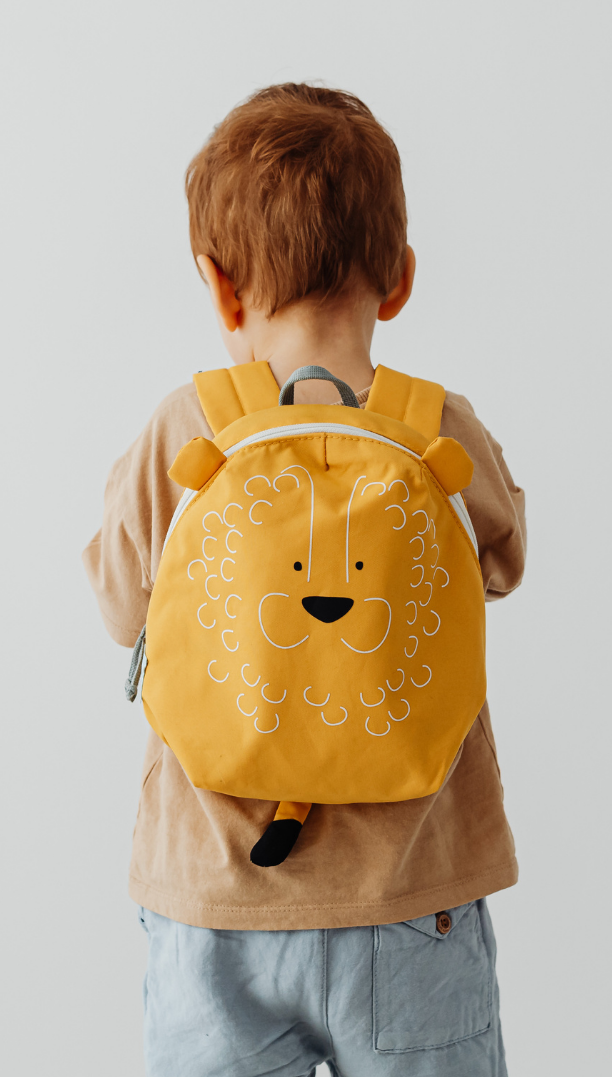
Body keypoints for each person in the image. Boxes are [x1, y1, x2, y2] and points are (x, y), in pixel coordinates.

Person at [83, 83, 527, 1077]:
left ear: (219, 287)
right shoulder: (437, 427)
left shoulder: (185, 429)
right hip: (414, 898)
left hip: (214, 898)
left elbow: (119, 607)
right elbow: (501, 564)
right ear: (399, 278)